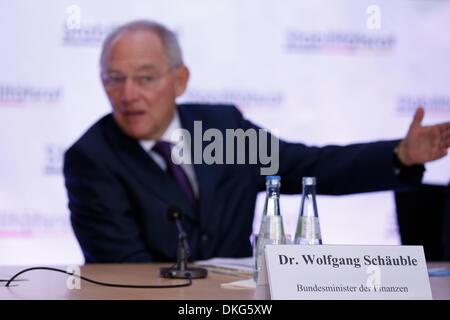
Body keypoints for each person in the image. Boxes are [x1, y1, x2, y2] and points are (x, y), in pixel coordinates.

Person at [63, 20, 450, 263]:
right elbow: (125, 268)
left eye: (145, 78)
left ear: (179, 80)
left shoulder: (222, 127)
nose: (127, 94)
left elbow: (309, 168)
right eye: (114, 78)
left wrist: (399, 155)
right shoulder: (92, 158)